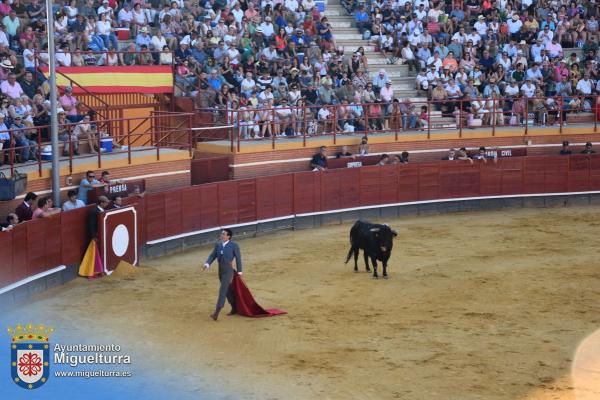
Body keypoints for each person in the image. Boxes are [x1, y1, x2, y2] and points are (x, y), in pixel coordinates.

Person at [203, 228, 243, 321]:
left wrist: (240, 272)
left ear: (228, 236)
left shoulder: (234, 245)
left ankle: (216, 312)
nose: (221, 235)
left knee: (222, 290)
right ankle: (234, 307)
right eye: (221, 234)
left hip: (228, 271)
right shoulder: (218, 245)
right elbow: (213, 255)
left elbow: (238, 259)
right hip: (220, 270)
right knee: (227, 289)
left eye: (223, 234)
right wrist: (207, 264)